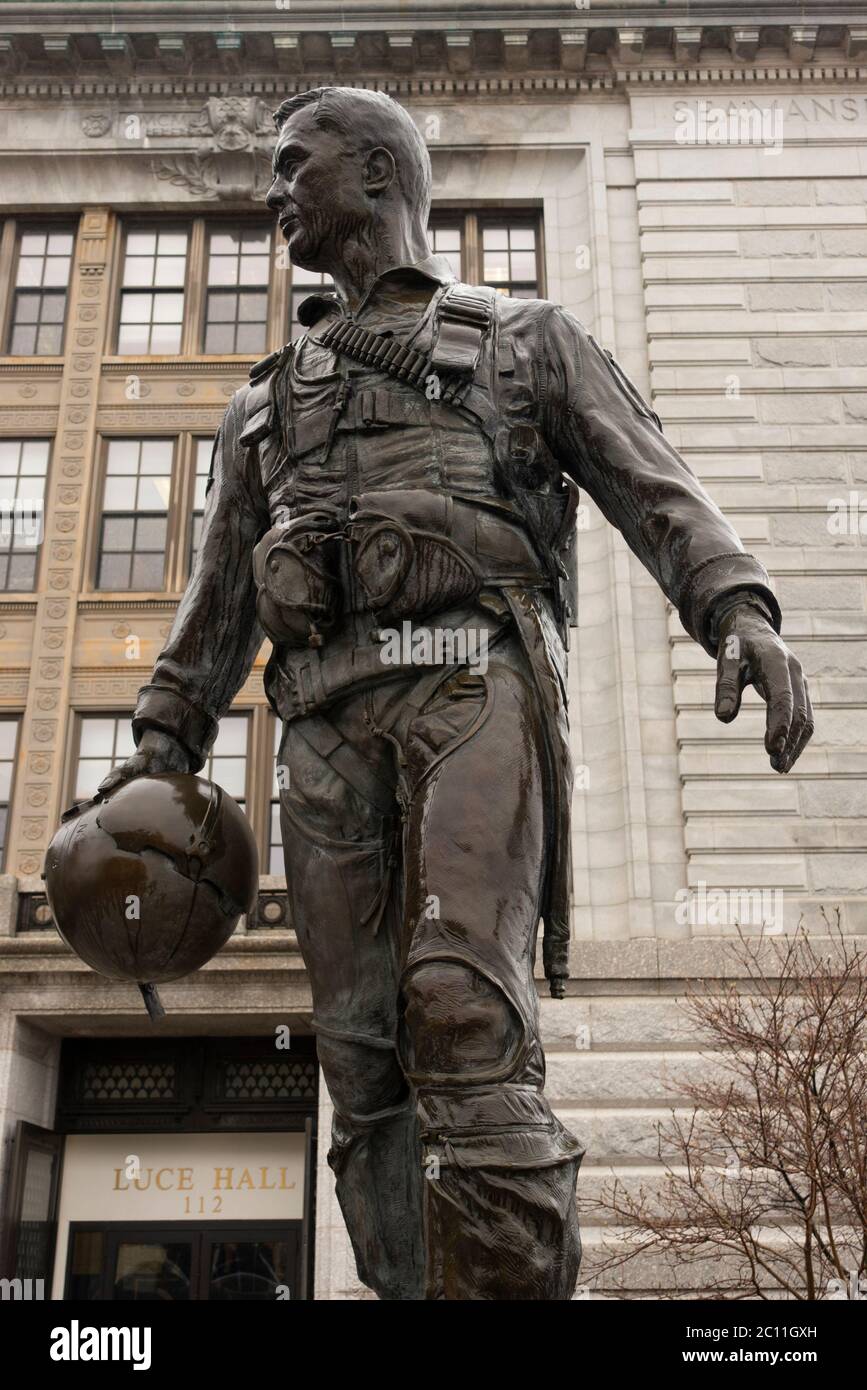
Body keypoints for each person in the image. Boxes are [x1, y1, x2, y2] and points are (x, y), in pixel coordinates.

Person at [101, 87, 813, 1301]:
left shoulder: (524, 341)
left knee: (461, 1006)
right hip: (322, 730)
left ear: (379, 176)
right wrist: (162, 741)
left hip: (471, 692)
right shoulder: (262, 407)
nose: (273, 192)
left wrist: (736, 609)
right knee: (363, 1057)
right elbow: (215, 606)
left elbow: (654, 486)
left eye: (295, 166)